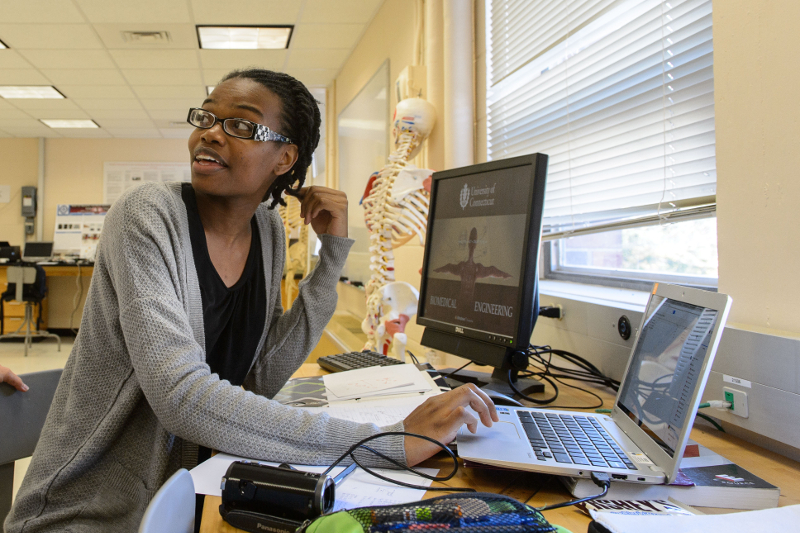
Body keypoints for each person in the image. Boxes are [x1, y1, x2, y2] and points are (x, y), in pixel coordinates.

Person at [5, 69, 497, 533]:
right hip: (94, 512)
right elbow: (180, 397)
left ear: (285, 159)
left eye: (241, 124)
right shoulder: (146, 216)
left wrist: (331, 259)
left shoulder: (267, 231)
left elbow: (259, 377)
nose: (211, 134)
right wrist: (383, 442)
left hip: (193, 489)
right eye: (207, 117)